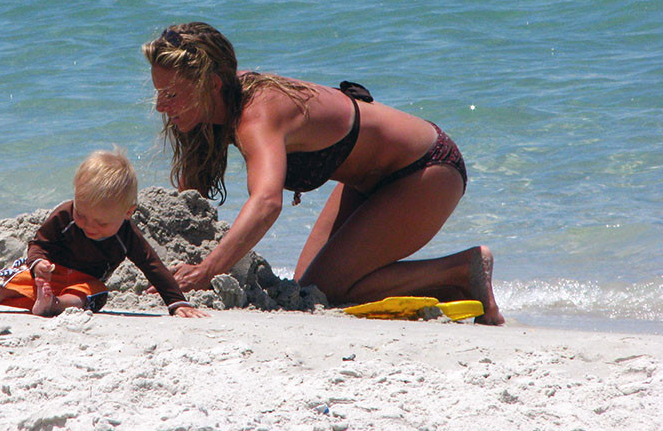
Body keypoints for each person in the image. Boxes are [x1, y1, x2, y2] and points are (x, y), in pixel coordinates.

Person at [143, 22, 503, 325]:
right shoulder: (206, 112)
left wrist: (206, 271)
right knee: (308, 289)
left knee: (330, 290)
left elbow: (267, 202)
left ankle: (462, 269)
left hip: (425, 169)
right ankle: (454, 289)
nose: (161, 105)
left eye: (172, 94)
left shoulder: (257, 114)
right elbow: (188, 206)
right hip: (367, 181)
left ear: (212, 85)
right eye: (160, 92)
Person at [0, 149, 209, 319]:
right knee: (8, 279)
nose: (89, 225)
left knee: (94, 293)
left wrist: (176, 302)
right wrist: (38, 264)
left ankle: (54, 305)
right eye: (82, 214)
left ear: (128, 213)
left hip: (82, 283)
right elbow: (37, 244)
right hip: (43, 274)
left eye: (101, 223)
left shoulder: (125, 235)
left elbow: (151, 264)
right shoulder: (65, 215)